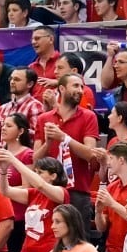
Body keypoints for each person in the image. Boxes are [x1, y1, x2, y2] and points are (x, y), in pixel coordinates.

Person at [33, 74, 99, 228]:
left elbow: (91, 154)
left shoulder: (89, 117)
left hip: (77, 190)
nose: (80, 90)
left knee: (78, 242)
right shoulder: (44, 118)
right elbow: (35, 160)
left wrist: (64, 138)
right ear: (61, 89)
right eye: (75, 86)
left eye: (82, 87)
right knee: (48, 239)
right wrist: (48, 143)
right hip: (48, 189)